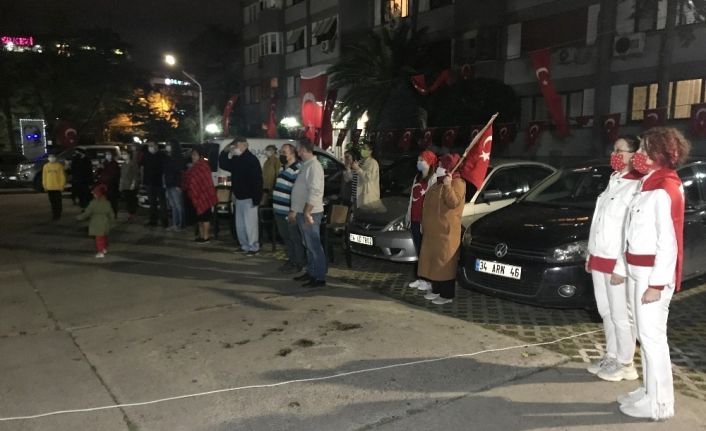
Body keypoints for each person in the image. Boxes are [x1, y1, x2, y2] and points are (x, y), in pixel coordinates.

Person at [617, 127, 690, 421]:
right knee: (645, 337)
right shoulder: (649, 183)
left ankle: (660, 403)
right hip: (639, 272)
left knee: (653, 339)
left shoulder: (664, 188)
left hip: (651, 276)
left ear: (660, 154)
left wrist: (656, 285)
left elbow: (668, 243)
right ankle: (649, 390)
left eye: (645, 149)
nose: (639, 154)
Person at [585, 135, 643, 382]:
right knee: (606, 311)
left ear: (634, 155)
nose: (614, 154)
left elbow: (631, 230)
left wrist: (622, 264)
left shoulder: (637, 185)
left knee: (621, 315)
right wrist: (590, 252)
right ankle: (612, 355)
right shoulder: (614, 180)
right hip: (600, 255)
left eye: (620, 150)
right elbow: (599, 220)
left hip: (617, 261)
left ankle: (626, 363)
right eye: (614, 150)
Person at [417, 154, 466, 305]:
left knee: (445, 264)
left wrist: (448, 185)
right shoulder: (438, 183)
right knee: (434, 262)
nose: (438, 168)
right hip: (433, 232)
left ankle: (447, 294)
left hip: (446, 232)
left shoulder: (457, 183)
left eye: (441, 165)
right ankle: (436, 289)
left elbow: (453, 202)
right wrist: (423, 223)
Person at [290, 139, 326, 287]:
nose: (297, 152)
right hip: (302, 211)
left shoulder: (314, 167)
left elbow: (315, 191)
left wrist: (307, 212)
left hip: (310, 213)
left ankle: (319, 276)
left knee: (314, 245)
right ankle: (311, 271)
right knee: (308, 244)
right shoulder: (306, 165)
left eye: (298, 149)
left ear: (304, 150)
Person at [219, 137, 263, 256]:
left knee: (250, 225)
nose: (235, 148)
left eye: (236, 146)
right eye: (234, 146)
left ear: (244, 145)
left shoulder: (251, 159)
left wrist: (256, 198)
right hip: (239, 196)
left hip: (249, 197)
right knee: (240, 225)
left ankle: (254, 247)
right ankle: (244, 245)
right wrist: (225, 151)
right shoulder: (237, 159)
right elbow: (223, 164)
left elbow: (257, 180)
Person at [406, 150, 438, 292]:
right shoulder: (417, 177)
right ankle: (420, 278)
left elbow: (432, 203)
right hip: (414, 218)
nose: (418, 163)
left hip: (425, 220)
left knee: (426, 251)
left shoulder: (434, 179)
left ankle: (428, 280)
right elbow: (412, 199)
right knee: (418, 250)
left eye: (421, 160)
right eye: (418, 160)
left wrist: (426, 221)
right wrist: (408, 216)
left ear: (429, 162)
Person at [272, 143, 306, 273]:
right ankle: (291, 260)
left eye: (284, 152)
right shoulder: (282, 168)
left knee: (294, 238)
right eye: (281, 152)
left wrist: (294, 209)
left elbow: (298, 192)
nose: (281, 155)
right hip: (279, 210)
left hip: (290, 211)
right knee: (286, 238)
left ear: (292, 154)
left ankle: (298, 263)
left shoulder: (297, 169)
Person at [182, 147, 218, 244]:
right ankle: (201, 236)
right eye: (192, 155)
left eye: (195, 155)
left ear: (200, 156)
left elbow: (204, 181)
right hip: (197, 196)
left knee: (205, 218)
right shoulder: (194, 166)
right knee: (199, 218)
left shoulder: (203, 166)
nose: (193, 157)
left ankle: (206, 237)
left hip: (205, 196)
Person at [76, 184, 115, 258]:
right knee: (104, 237)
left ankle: (100, 252)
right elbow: (111, 213)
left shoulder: (93, 203)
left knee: (98, 238)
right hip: (105, 222)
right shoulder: (107, 202)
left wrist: (79, 217)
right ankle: (104, 248)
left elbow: (87, 213)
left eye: (94, 193)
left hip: (97, 223)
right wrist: (112, 221)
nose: (93, 195)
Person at [142, 142, 168, 227]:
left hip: (159, 183)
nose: (150, 148)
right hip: (149, 183)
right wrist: (145, 181)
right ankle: (153, 220)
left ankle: (164, 221)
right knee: (152, 203)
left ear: (156, 146)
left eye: (152, 146)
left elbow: (164, 170)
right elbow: (144, 169)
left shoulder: (162, 155)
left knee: (162, 203)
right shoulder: (147, 155)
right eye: (149, 146)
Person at [164, 140, 186, 231]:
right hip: (169, 184)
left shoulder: (178, 158)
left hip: (175, 185)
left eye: (169, 145)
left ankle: (180, 225)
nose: (167, 146)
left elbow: (180, 173)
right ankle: (174, 224)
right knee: (173, 206)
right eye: (167, 145)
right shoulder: (168, 157)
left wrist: (178, 185)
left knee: (178, 206)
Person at [351, 141, 380, 208]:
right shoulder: (360, 162)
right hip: (356, 196)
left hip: (366, 198)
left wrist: (358, 169)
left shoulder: (373, 163)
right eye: (362, 148)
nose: (362, 150)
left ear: (370, 151)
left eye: (364, 148)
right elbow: (355, 178)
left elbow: (368, 178)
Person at [42, 153, 66, 221]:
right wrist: (45, 186)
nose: (51, 158)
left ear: (55, 158)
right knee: (52, 203)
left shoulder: (59, 166)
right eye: (50, 157)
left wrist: (62, 186)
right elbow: (44, 177)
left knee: (58, 202)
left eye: (53, 157)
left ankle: (58, 214)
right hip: (49, 188)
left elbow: (62, 177)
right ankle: (54, 215)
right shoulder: (46, 166)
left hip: (57, 188)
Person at [98, 151, 121, 217]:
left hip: (112, 185)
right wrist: (100, 169)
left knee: (113, 201)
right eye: (107, 155)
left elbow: (114, 174)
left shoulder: (114, 164)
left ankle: (114, 214)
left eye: (109, 154)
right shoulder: (104, 163)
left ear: (112, 156)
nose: (108, 156)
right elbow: (100, 173)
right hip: (104, 185)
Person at [119, 151, 140, 221]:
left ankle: (133, 214)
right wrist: (120, 185)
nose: (123, 155)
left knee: (132, 200)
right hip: (125, 185)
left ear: (129, 155)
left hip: (131, 185)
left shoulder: (133, 163)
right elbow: (122, 175)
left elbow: (135, 175)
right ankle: (130, 214)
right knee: (127, 200)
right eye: (122, 154)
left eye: (125, 154)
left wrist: (133, 184)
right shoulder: (123, 164)